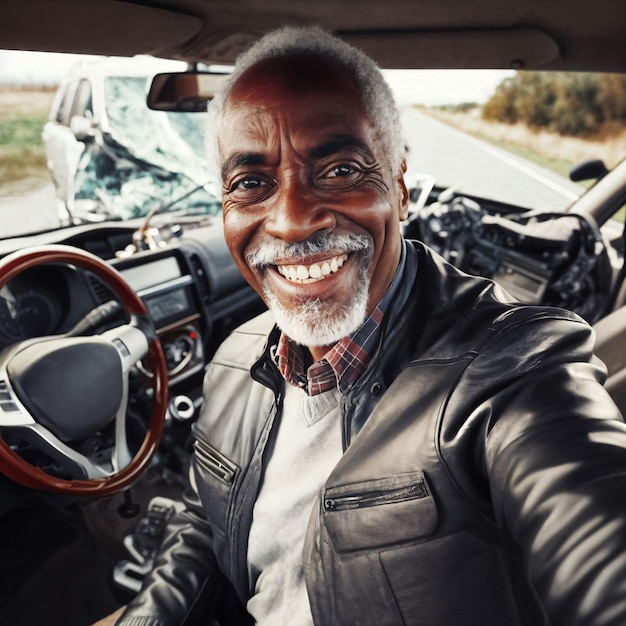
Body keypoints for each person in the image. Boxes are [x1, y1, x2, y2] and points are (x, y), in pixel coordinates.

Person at [98, 26, 626, 626]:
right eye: (251, 182)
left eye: (342, 169)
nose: (293, 220)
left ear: (399, 187)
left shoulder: (514, 366)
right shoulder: (233, 359)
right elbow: (205, 518)